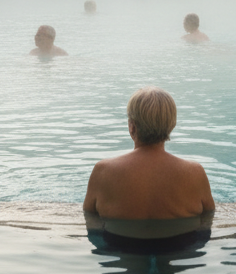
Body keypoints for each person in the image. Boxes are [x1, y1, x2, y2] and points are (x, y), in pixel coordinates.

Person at [83, 87, 215, 219]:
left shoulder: (103, 171)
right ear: (172, 125)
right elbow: (208, 218)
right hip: (182, 239)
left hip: (117, 240)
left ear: (132, 127)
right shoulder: (195, 173)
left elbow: (90, 219)